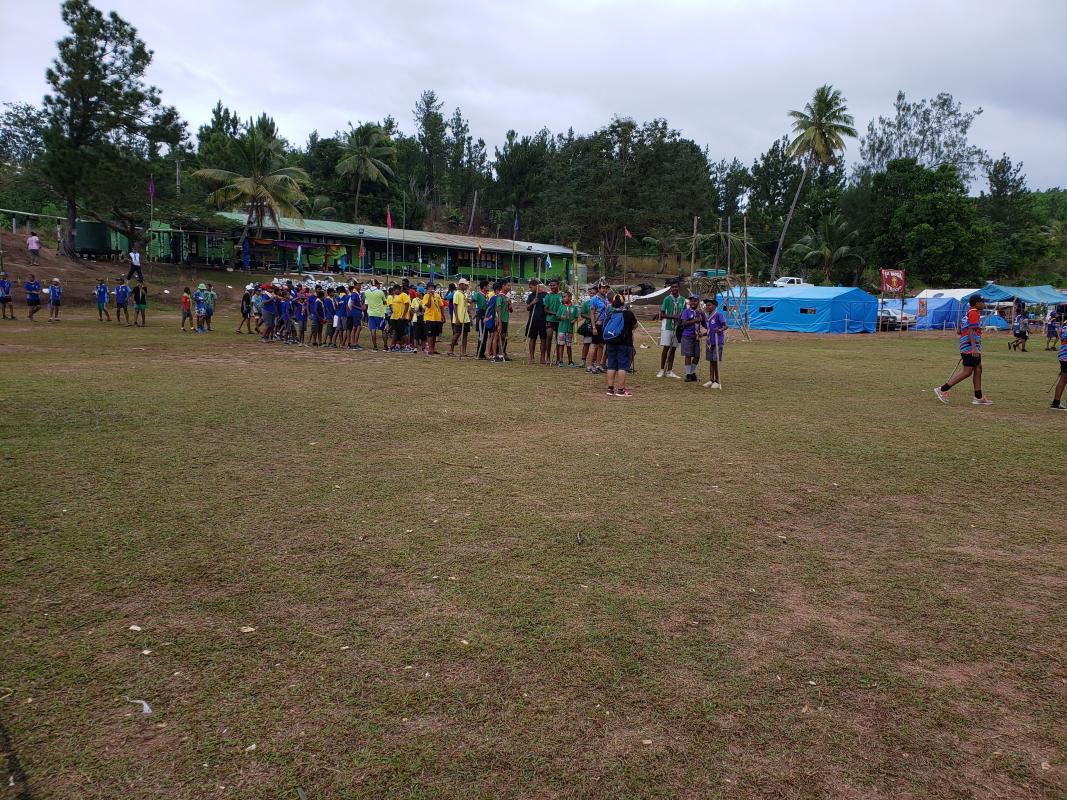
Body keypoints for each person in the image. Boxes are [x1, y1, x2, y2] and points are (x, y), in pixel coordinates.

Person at [935, 295, 992, 406]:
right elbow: (970, 329)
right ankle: (942, 389)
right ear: (976, 303)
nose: (984, 304)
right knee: (967, 372)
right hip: (971, 346)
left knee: (978, 368)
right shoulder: (974, 312)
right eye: (982, 302)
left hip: (968, 345)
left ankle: (978, 397)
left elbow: (960, 330)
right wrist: (973, 347)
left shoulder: (968, 312)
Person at [604, 294, 637, 397]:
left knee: (611, 365)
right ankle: (621, 390)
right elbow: (635, 325)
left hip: (610, 342)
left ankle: (610, 389)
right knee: (622, 366)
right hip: (624, 343)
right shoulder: (628, 314)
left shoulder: (610, 314)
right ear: (623, 303)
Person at [658, 281, 685, 379]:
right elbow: (662, 314)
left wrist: (680, 319)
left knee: (673, 349)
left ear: (679, 288)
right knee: (666, 348)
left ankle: (669, 370)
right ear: (670, 289)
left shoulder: (683, 300)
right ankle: (662, 370)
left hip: (677, 328)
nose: (674, 289)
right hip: (667, 327)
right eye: (672, 287)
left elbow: (684, 314)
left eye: (676, 287)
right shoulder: (667, 299)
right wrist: (673, 317)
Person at [677, 294, 705, 382]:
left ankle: (692, 372)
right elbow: (684, 323)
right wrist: (696, 320)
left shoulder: (699, 312)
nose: (693, 302)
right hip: (687, 336)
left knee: (697, 356)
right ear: (689, 302)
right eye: (692, 301)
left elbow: (704, 324)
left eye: (695, 301)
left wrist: (704, 317)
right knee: (688, 355)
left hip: (696, 337)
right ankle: (688, 374)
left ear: (698, 302)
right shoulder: (686, 312)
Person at [703, 297, 726, 389]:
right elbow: (709, 329)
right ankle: (711, 379)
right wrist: (703, 334)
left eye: (709, 305)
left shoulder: (718, 315)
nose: (707, 307)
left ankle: (717, 381)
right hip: (710, 341)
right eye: (706, 305)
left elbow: (725, 326)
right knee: (711, 361)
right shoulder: (707, 316)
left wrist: (719, 329)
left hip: (717, 341)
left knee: (715, 361)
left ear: (714, 306)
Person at [586, 284, 609, 374]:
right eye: (603, 288)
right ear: (599, 289)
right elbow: (592, 314)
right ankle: (589, 366)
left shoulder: (606, 299)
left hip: (605, 325)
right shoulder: (594, 299)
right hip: (597, 324)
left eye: (606, 288)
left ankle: (598, 365)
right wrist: (594, 327)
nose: (604, 290)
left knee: (601, 345)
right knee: (594, 344)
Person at [525, 279, 549, 364]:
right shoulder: (531, 296)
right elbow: (527, 308)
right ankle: (532, 358)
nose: (530, 289)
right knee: (532, 339)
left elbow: (548, 307)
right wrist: (532, 303)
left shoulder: (546, 295)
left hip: (543, 320)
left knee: (543, 339)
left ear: (536, 286)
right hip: (533, 320)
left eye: (531, 287)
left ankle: (542, 358)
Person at [448, 277, 473, 357]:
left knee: (465, 334)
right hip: (459, 317)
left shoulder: (464, 294)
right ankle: (451, 350)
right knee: (457, 333)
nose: (466, 286)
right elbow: (455, 306)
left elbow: (467, 305)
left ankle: (464, 351)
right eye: (465, 285)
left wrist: (469, 301)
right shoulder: (457, 293)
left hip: (465, 317)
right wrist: (457, 318)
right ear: (461, 285)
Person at [555, 290, 579, 367]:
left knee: (569, 345)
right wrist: (560, 317)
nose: (563, 298)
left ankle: (570, 361)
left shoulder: (574, 308)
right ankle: (560, 361)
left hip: (569, 330)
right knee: (561, 345)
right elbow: (557, 316)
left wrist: (573, 320)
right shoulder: (561, 307)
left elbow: (576, 317)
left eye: (565, 297)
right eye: (562, 297)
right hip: (562, 329)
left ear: (570, 298)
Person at [364, 280, 388, 351]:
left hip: (371, 313)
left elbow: (366, 303)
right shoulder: (380, 292)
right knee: (383, 330)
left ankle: (375, 346)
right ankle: (385, 346)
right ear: (376, 284)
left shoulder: (366, 292)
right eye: (379, 284)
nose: (380, 286)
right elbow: (385, 302)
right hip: (380, 313)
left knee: (373, 330)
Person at [422, 283, 445, 355]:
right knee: (430, 334)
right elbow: (428, 305)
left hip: (437, 317)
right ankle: (430, 349)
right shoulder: (426, 296)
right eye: (430, 288)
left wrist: (442, 315)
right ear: (427, 289)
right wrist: (429, 296)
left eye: (432, 287)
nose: (431, 289)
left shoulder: (437, 295)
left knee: (435, 334)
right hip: (429, 318)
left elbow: (441, 306)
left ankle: (433, 348)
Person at [387, 285, 411, 352]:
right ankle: (395, 345)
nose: (394, 292)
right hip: (395, 317)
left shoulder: (404, 295)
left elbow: (407, 305)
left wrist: (403, 315)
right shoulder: (395, 296)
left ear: (398, 289)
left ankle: (408, 345)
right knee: (396, 332)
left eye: (395, 290)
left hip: (401, 317)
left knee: (403, 332)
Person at [543, 279, 563, 347]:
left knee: (558, 339)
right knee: (549, 336)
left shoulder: (562, 295)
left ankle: (558, 356)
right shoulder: (548, 296)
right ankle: (548, 357)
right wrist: (556, 313)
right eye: (551, 285)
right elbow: (545, 310)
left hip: (560, 320)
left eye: (554, 285)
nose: (552, 287)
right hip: (550, 319)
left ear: (558, 285)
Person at [1051, 321, 1067, 411]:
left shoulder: (1064, 324)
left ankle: (1056, 403)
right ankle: (1056, 403)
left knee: (1064, 379)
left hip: (1063, 353)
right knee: (1063, 379)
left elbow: (1061, 336)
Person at [473, 279, 490, 359]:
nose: (489, 287)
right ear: (484, 287)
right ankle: (479, 353)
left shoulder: (486, 295)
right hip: (481, 316)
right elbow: (473, 300)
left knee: (485, 335)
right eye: (487, 286)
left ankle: (482, 353)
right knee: (481, 335)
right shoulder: (478, 294)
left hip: (486, 316)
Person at [347, 282, 365, 349]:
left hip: (356, 312)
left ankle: (354, 343)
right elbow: (352, 304)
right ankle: (354, 343)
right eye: (358, 285)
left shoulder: (357, 293)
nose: (360, 286)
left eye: (360, 285)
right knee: (356, 327)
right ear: (355, 286)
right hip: (355, 312)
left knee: (356, 327)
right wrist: (360, 308)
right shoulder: (355, 294)